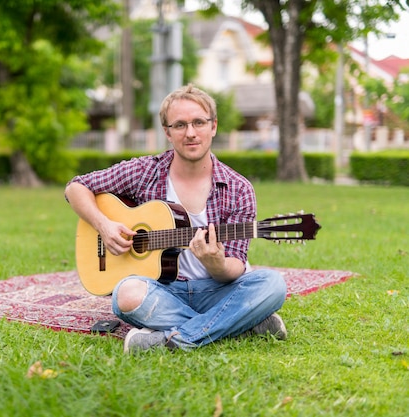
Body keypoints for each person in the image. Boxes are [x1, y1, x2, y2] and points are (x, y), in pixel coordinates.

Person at [65, 84, 287, 353]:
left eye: (198, 122)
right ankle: (239, 324)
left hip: (215, 292)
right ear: (167, 132)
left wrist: (215, 264)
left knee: (272, 285)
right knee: (126, 294)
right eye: (180, 125)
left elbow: (235, 267)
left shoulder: (239, 188)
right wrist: (104, 225)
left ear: (213, 126)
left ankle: (172, 340)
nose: (191, 133)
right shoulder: (144, 171)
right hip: (162, 291)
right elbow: (75, 187)